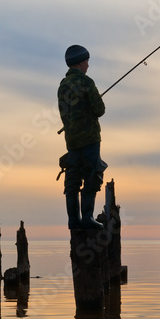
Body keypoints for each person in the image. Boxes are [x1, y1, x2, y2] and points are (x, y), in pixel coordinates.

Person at [57, 44, 106, 230]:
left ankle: (73, 221)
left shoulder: (62, 86)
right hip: (90, 139)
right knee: (92, 176)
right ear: (79, 62)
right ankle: (87, 218)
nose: (88, 65)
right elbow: (99, 110)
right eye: (86, 61)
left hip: (71, 141)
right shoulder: (87, 83)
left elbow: (63, 114)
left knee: (72, 180)